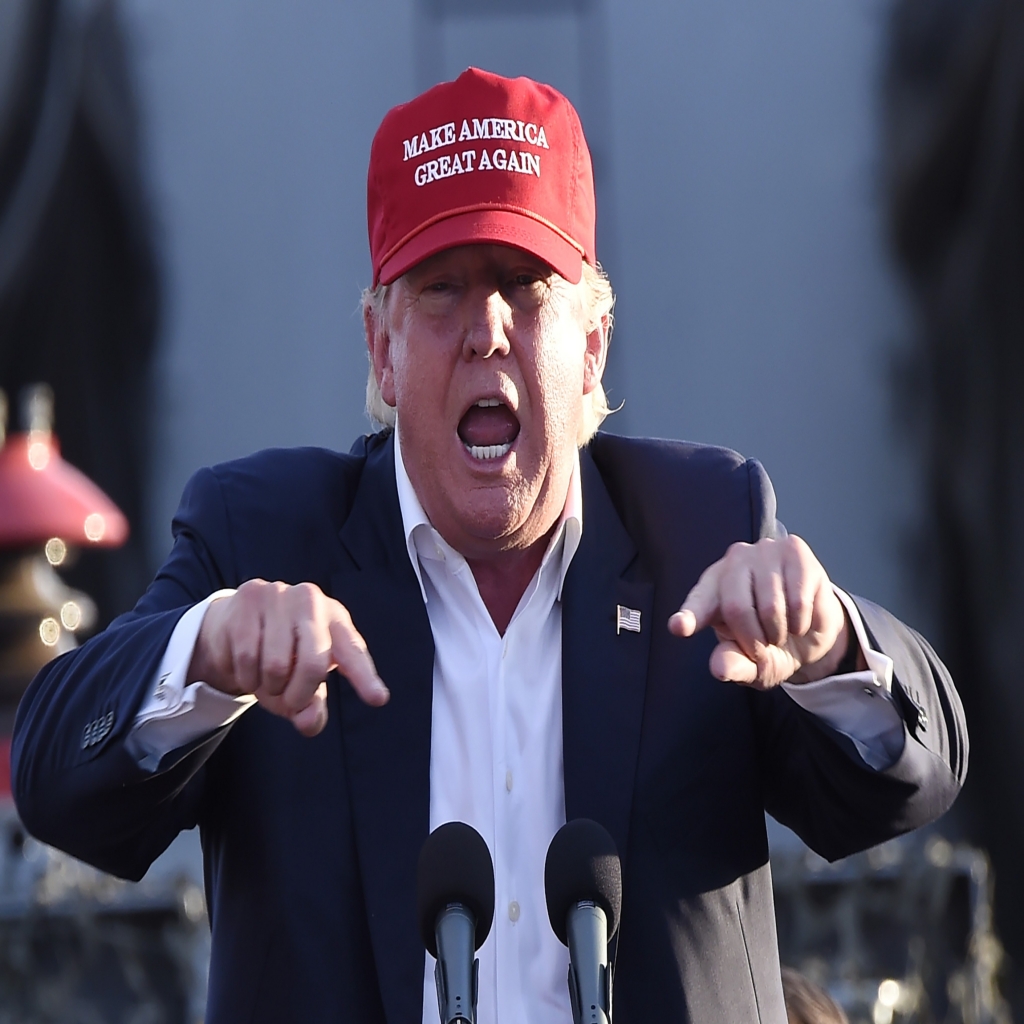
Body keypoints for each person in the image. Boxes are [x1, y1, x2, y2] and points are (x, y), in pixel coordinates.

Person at [11, 68, 966, 1024]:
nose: (487, 330)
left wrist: (830, 645)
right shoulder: (264, 533)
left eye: (523, 286)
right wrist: (205, 652)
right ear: (382, 350)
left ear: (592, 344)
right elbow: (60, 783)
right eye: (442, 290)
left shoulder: (703, 530)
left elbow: (910, 782)